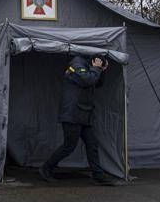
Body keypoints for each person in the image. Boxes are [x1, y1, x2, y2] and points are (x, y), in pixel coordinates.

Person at [39, 54, 119, 186]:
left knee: (92, 145)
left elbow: (98, 83)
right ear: (94, 61)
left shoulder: (90, 69)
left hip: (83, 115)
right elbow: (87, 80)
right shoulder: (76, 66)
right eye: (99, 64)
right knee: (69, 146)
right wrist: (96, 68)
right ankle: (46, 168)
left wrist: (101, 70)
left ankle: (98, 175)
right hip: (72, 114)